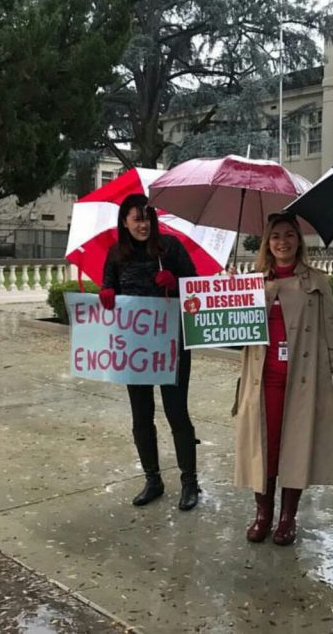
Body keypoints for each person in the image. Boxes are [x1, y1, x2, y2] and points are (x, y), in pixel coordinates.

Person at [233, 211, 333, 546]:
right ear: (266, 243)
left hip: (302, 381)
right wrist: (226, 296)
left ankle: (287, 518)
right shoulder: (252, 281)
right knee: (264, 448)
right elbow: (231, 333)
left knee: (296, 449)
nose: (282, 242)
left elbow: (331, 332)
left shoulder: (316, 281)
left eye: (289, 235)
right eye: (275, 236)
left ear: (298, 241)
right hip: (263, 381)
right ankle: (263, 514)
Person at [100, 193, 201, 511]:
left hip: (171, 344)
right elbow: (109, 288)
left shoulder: (170, 248)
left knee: (176, 412)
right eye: (136, 219)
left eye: (147, 218)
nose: (143, 225)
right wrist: (106, 293)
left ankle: (189, 482)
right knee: (141, 415)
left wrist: (177, 281)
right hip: (135, 348)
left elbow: (196, 288)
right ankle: (153, 479)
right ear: (125, 222)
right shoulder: (116, 254)